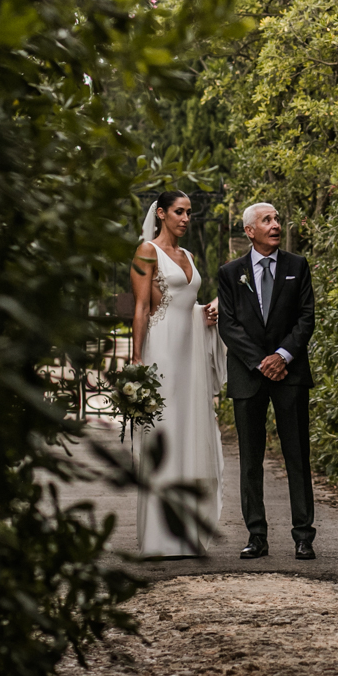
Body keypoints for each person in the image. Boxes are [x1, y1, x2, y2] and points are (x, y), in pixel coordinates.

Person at [214, 202, 318, 560]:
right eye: (267, 220)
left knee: (297, 455)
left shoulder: (297, 266)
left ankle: (303, 535)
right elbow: (228, 325)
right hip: (248, 375)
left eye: (276, 219)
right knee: (250, 459)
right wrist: (261, 362)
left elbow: (306, 318)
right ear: (250, 231)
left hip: (290, 373)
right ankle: (256, 535)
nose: (275, 225)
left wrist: (282, 356)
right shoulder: (230, 273)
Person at [129, 190, 225, 557]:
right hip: (163, 351)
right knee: (165, 433)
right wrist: (137, 360)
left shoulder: (187, 255)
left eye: (189, 213)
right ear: (162, 214)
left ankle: (186, 530)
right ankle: (159, 536)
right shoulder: (146, 251)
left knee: (189, 429)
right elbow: (141, 308)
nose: (186, 218)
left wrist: (206, 312)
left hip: (192, 354)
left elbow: (188, 304)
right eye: (179, 212)